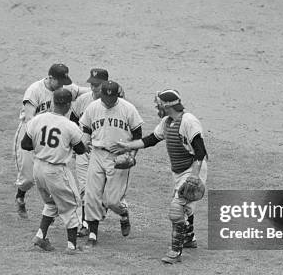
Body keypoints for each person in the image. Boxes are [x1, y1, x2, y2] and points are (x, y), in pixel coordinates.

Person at [111, 89, 208, 264]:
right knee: (185, 205)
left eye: (159, 104)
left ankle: (175, 251)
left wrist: (194, 176)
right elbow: (151, 140)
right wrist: (127, 146)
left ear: (167, 105)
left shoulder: (189, 122)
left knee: (177, 208)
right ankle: (189, 238)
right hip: (179, 171)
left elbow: (200, 152)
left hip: (193, 168)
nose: (157, 107)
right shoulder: (167, 122)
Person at [13, 63, 88, 219]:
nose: (62, 86)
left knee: (48, 174)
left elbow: (83, 91)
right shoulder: (35, 90)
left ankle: (50, 211)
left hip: (48, 136)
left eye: (64, 82)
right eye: (59, 82)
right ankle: (20, 196)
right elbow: (28, 118)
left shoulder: (63, 88)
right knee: (27, 179)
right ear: (50, 78)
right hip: (29, 133)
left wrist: (99, 89)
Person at [20, 88, 89, 254]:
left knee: (51, 203)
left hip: (38, 168)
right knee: (72, 204)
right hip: (56, 171)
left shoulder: (37, 120)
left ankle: (40, 237)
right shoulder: (69, 126)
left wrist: (42, 146)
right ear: (68, 105)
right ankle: (72, 247)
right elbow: (80, 150)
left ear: (52, 102)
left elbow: (25, 145)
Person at [79, 80, 143, 246]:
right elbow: (86, 127)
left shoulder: (128, 109)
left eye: (111, 98)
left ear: (117, 95)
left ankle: (123, 214)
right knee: (91, 195)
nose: (108, 101)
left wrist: (131, 156)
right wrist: (85, 140)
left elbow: (138, 135)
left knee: (112, 201)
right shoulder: (93, 107)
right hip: (97, 154)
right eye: (105, 98)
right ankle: (93, 233)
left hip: (118, 156)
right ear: (101, 94)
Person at [70, 68, 109, 237]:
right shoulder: (82, 100)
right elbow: (71, 123)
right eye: (92, 84)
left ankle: (108, 210)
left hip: (104, 154)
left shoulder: (115, 102)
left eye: (97, 85)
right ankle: (86, 223)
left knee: (104, 192)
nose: (93, 88)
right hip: (84, 151)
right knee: (85, 187)